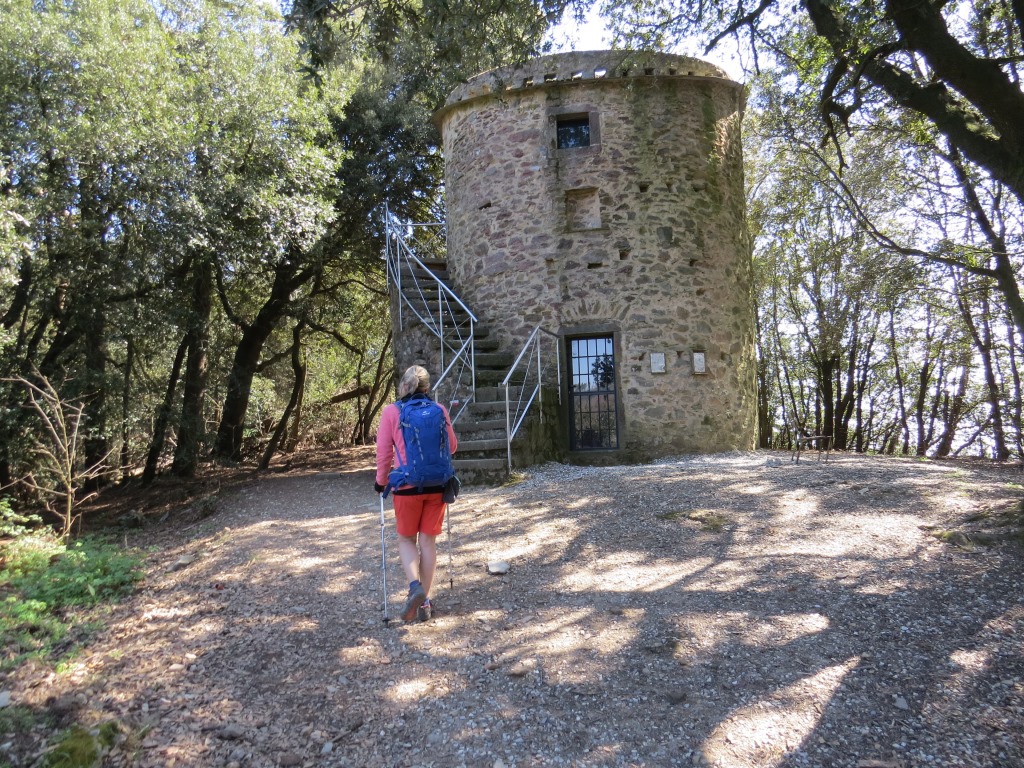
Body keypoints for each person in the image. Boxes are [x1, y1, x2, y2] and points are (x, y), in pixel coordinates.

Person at [374, 365, 458, 622]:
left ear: (403, 385)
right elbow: (452, 447)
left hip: (407, 487)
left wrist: (380, 482)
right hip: (438, 486)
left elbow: (384, 453)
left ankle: (414, 588)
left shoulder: (391, 412)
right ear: (427, 387)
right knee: (428, 542)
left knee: (406, 540)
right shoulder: (439, 410)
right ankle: (426, 603)